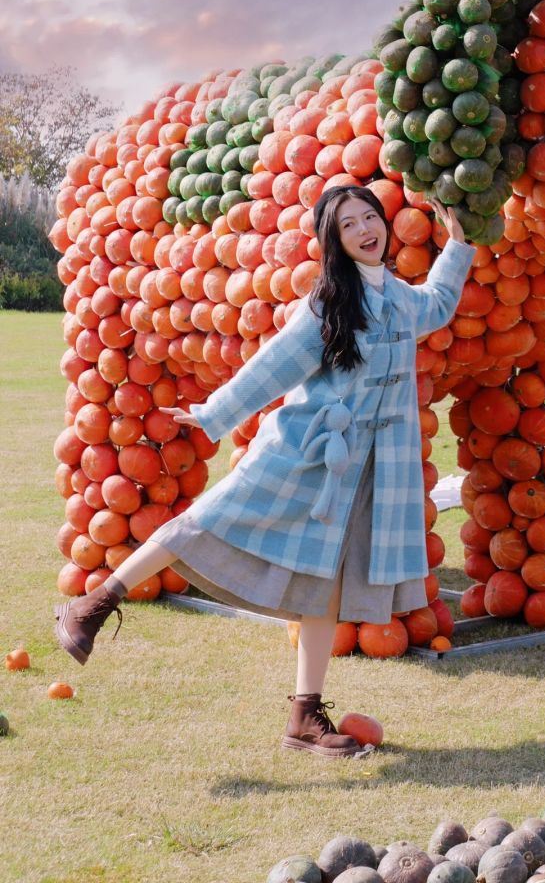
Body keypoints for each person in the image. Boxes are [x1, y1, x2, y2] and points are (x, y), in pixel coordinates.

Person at [54, 184, 475, 758]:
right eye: (348, 225)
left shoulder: (400, 298)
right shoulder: (329, 305)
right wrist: (213, 413)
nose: (364, 229)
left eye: (369, 217)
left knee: (322, 588)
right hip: (303, 451)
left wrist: (458, 242)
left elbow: (441, 301)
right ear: (335, 242)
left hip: (362, 471)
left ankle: (304, 716)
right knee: (205, 521)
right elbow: (271, 368)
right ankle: (92, 605)